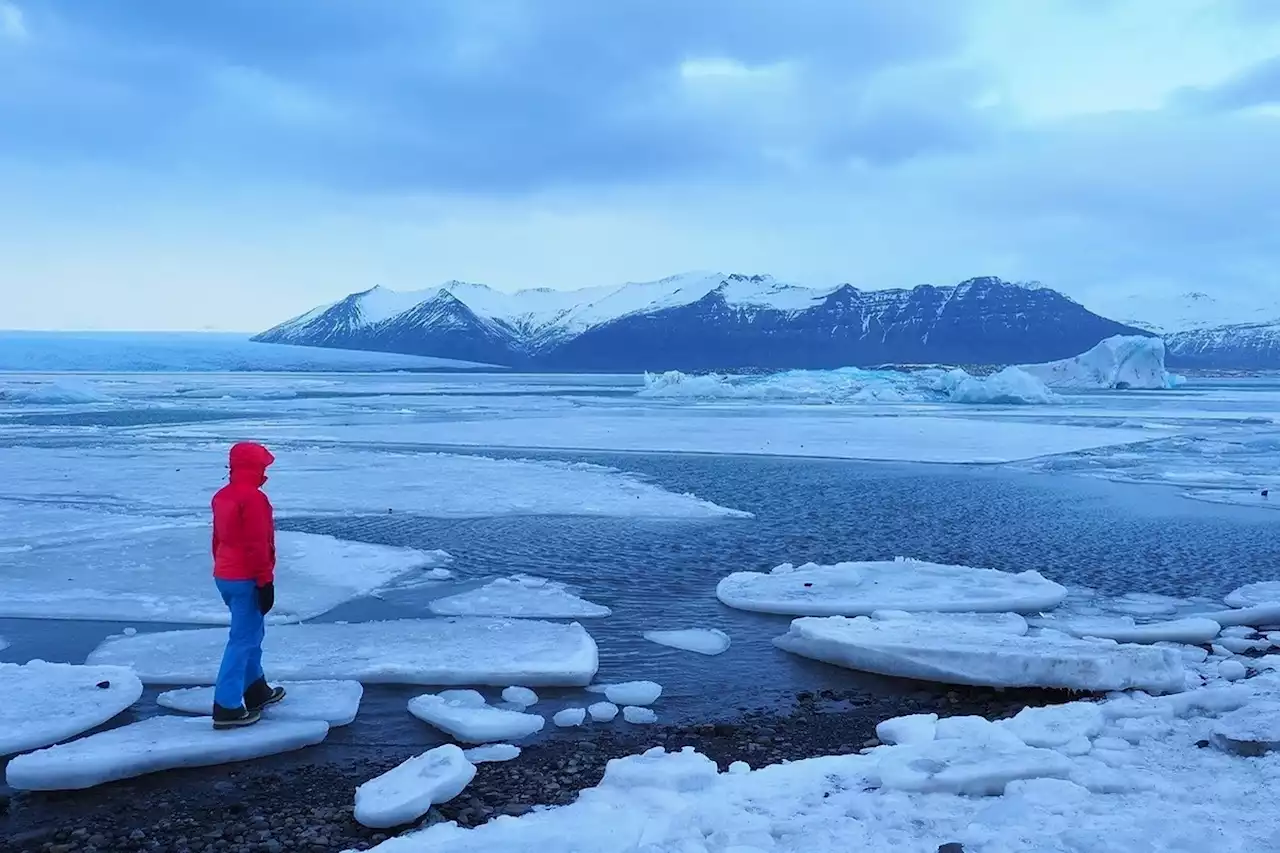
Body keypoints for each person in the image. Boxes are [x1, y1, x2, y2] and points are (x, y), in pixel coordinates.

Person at [211, 441, 286, 729]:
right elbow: (257, 545)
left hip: (226, 575)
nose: (266, 470)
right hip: (246, 577)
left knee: (251, 632)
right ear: (254, 467)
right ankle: (226, 706)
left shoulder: (223, 496)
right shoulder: (254, 499)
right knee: (242, 640)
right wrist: (265, 581)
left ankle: (255, 688)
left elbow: (217, 539)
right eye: (263, 465)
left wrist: (222, 570)